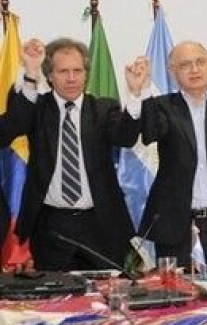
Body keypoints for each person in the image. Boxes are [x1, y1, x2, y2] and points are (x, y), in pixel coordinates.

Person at [1, 38, 139, 271]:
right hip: (51, 227)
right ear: (50, 76)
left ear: (86, 74)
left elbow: (125, 137)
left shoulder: (104, 109)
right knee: (58, 300)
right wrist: (30, 72)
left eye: (77, 70)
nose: (72, 78)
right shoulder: (37, 108)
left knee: (107, 298)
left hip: (101, 224)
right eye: (63, 71)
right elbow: (10, 129)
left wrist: (134, 94)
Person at [125, 41, 207, 266]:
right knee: (176, 295)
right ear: (172, 72)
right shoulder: (162, 105)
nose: (194, 69)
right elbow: (151, 133)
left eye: (200, 62)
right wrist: (143, 89)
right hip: (175, 224)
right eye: (185, 65)